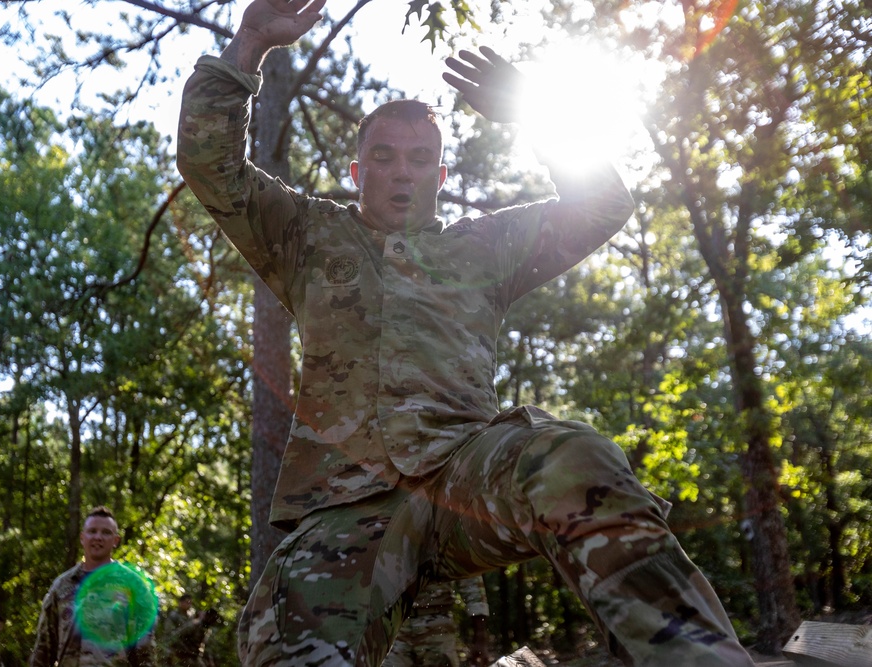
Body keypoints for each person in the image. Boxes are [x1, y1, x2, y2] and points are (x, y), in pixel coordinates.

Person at [176, 0, 757, 665]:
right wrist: (249, 42)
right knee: (285, 637)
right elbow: (208, 163)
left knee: (572, 457)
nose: (402, 171)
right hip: (345, 506)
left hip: (465, 481)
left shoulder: (486, 246)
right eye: (384, 158)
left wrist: (537, 116)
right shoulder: (307, 234)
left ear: (442, 176)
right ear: (357, 171)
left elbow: (604, 204)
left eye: (420, 159)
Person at [28, 506, 156, 667]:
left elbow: (145, 652)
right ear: (82, 537)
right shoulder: (62, 586)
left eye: (106, 532)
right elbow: (44, 648)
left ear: (115, 540)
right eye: (92, 531)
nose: (98, 537)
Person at [383, 577, 491, 667]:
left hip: (437, 628)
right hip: (395, 627)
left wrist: (480, 636)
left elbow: (472, 584)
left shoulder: (446, 550)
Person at [158, 594, 218, 666]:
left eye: (190, 603)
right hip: (174, 645)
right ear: (180, 602)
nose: (188, 605)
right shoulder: (174, 615)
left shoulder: (191, 615)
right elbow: (170, 634)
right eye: (186, 602)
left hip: (187, 649)